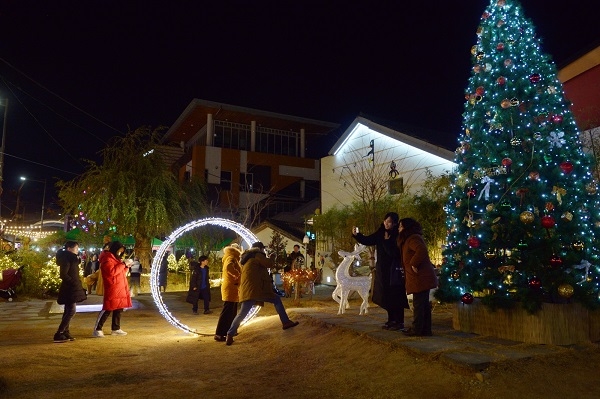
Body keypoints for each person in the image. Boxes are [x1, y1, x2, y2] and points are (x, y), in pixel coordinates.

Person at [225, 242, 299, 345]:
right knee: (276, 299)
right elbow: (269, 264)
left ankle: (230, 334)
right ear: (259, 248)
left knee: (242, 313)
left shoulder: (247, 259)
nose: (264, 251)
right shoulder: (257, 255)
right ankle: (286, 322)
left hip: (248, 289)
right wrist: (273, 256)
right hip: (258, 289)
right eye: (263, 249)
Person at [352, 212, 409, 331]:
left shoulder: (398, 235)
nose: (386, 224)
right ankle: (391, 319)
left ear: (394, 223)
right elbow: (368, 240)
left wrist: (387, 242)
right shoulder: (381, 232)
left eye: (389, 222)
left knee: (396, 295)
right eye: (385, 221)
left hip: (394, 270)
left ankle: (399, 321)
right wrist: (357, 235)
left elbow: (394, 253)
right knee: (386, 295)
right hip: (383, 269)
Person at [396, 218, 438, 337]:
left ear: (406, 227)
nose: (398, 228)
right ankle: (425, 329)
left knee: (419, 304)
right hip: (419, 277)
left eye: (400, 226)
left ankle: (417, 329)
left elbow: (421, 250)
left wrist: (414, 263)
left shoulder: (412, 238)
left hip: (420, 277)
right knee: (423, 304)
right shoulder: (410, 239)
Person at [93, 241, 132, 337]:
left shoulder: (115, 258)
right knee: (108, 307)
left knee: (119, 308)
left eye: (121, 252)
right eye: (119, 251)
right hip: (113, 286)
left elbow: (120, 272)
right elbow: (111, 272)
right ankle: (97, 329)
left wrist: (126, 266)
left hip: (120, 285)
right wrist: (123, 264)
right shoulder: (107, 258)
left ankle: (116, 328)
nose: (120, 253)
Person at [54, 241, 87, 343]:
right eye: (75, 248)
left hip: (71, 287)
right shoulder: (67, 258)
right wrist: (73, 282)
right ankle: (59, 332)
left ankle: (65, 332)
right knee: (72, 311)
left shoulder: (72, 258)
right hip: (70, 288)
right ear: (69, 248)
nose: (77, 250)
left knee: (68, 310)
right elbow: (63, 274)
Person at [214, 243, 242, 341]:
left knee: (232, 311)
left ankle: (230, 331)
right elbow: (229, 267)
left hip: (232, 288)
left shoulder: (232, 257)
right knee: (227, 311)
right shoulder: (231, 257)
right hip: (230, 288)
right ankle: (219, 333)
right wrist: (237, 275)